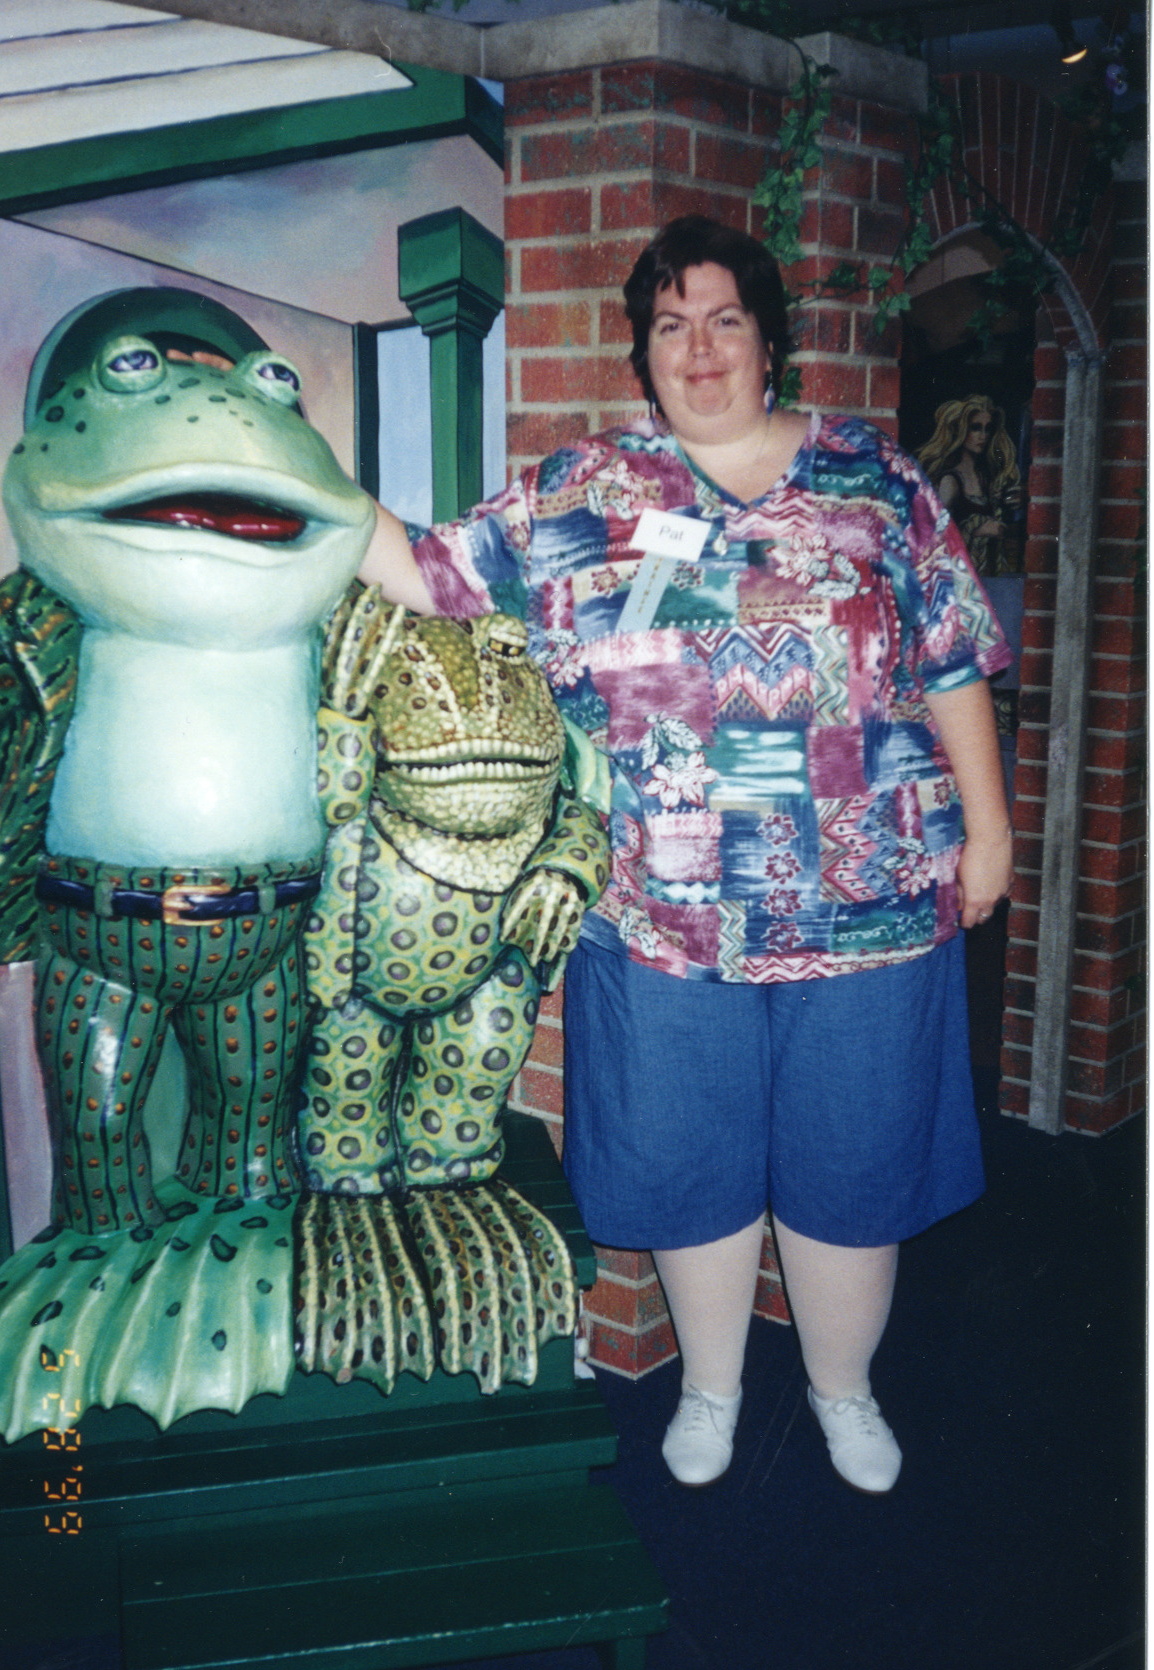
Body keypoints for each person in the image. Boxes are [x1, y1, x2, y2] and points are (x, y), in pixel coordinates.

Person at [359, 215, 1013, 1494]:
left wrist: (988, 832)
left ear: (769, 341)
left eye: (723, 320)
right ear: (643, 351)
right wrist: (301, 491)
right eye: (671, 325)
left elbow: (949, 660)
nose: (699, 348)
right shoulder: (590, 493)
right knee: (687, 1157)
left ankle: (841, 1388)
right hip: (664, 913)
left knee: (853, 1159)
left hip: (867, 905)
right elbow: (431, 574)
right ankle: (710, 1387)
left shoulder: (872, 479)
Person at [917, 394, 1022, 577]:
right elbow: (934, 536)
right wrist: (977, 531)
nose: (983, 436)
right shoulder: (950, 481)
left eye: (987, 429)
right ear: (961, 430)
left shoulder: (986, 478)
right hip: (960, 577)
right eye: (975, 428)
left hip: (989, 573)